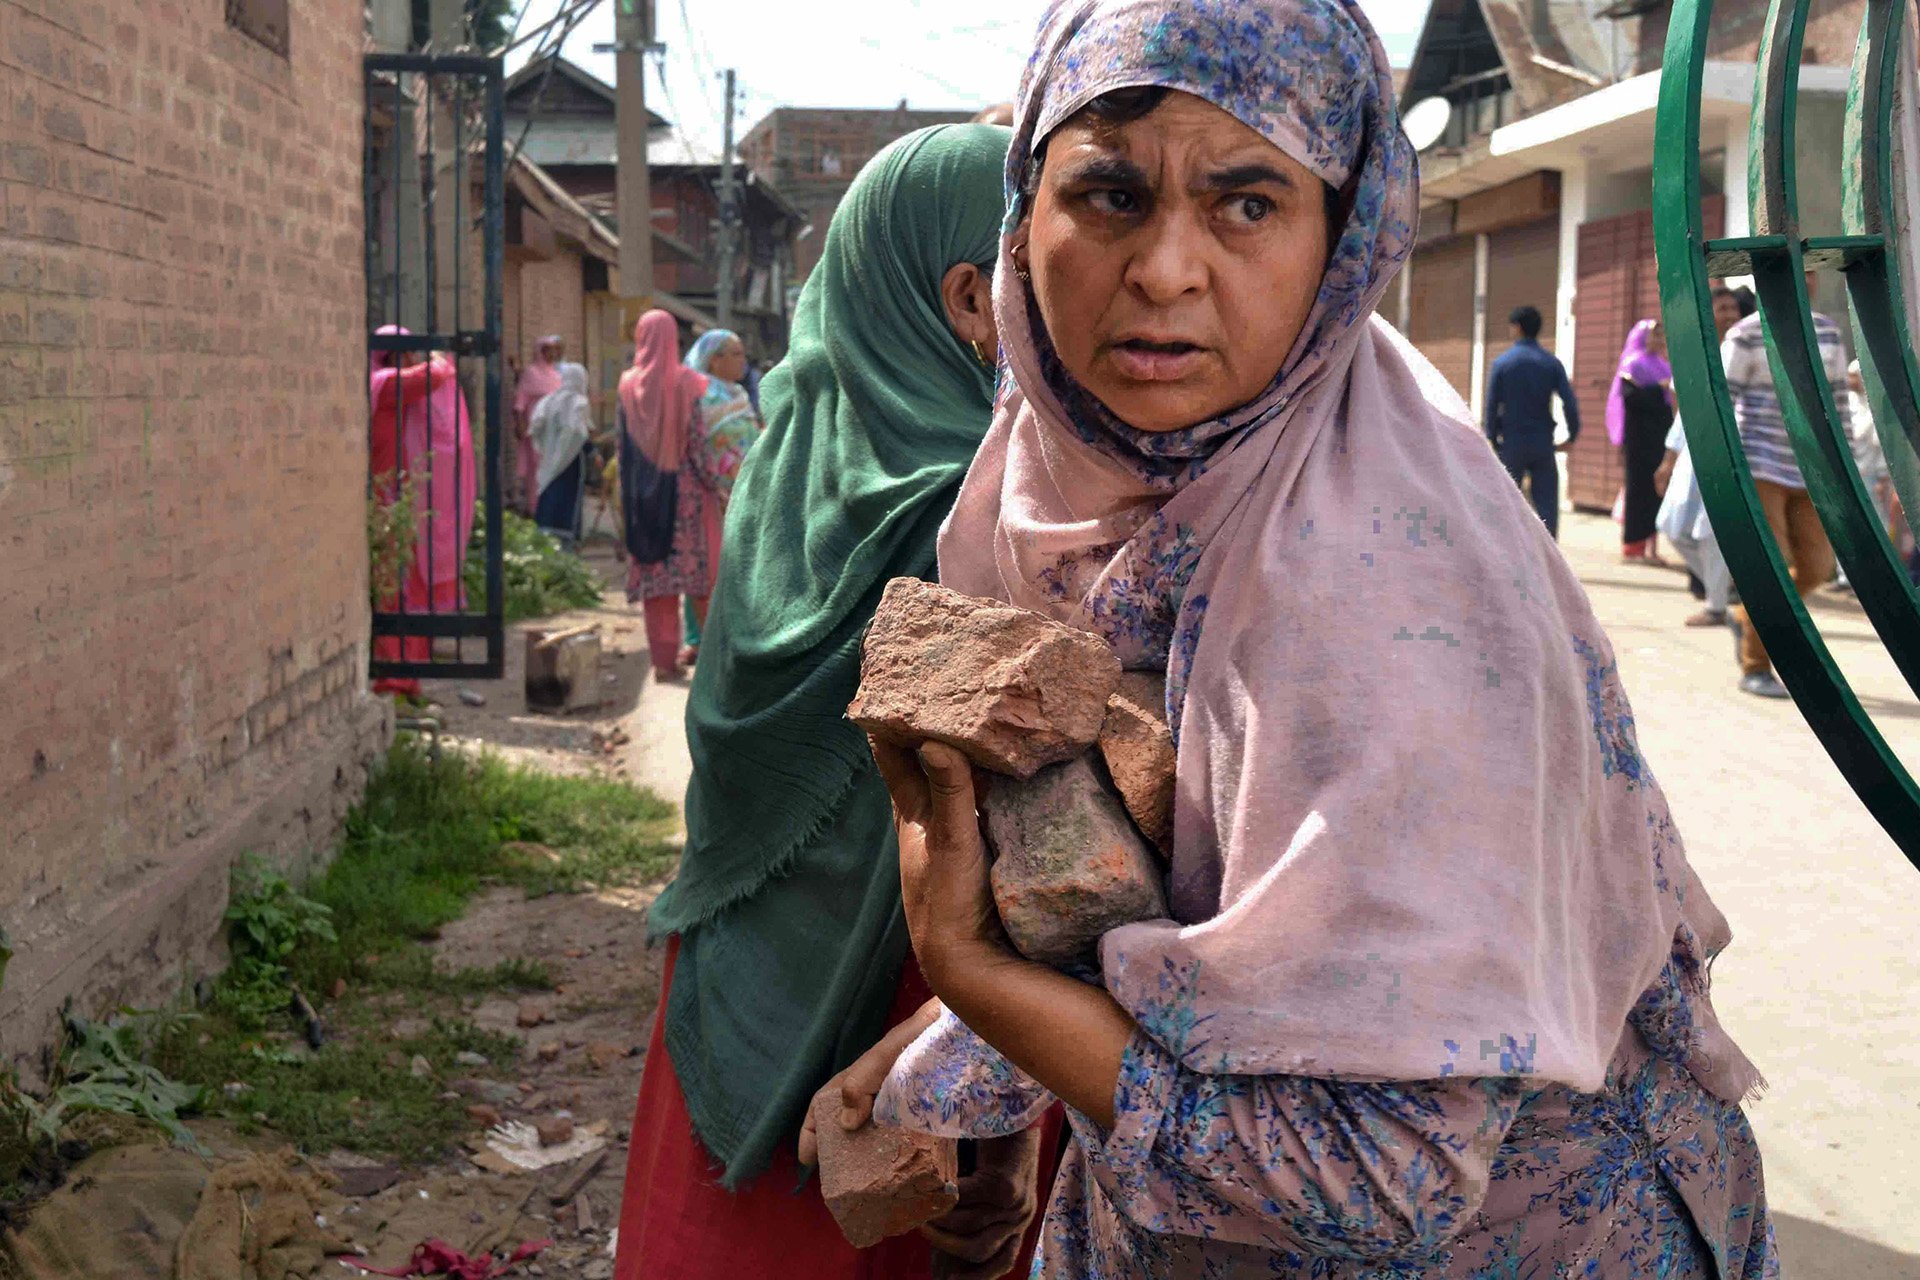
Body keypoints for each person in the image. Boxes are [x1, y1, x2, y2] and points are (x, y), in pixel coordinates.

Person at [810, 3, 1775, 1275]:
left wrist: (966, 971)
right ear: (1020, 217)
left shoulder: (1381, 594)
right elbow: (1193, 934)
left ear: (1341, 237)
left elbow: (1385, 1178)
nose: (1165, 269)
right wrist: (936, 1056)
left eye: (1248, 201)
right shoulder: (1068, 495)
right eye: (1105, 193)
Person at [616, 124, 1063, 1280]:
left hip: (752, 976)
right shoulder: (980, 519)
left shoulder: (784, 478)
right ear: (971, 298)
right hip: (918, 1012)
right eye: (1050, 267)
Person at [1724, 271, 1848, 697]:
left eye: (1809, 271)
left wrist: (1842, 465)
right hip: (1760, 463)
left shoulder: (1829, 333)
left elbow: (1839, 402)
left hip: (1811, 468)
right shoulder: (1745, 335)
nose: (1802, 278)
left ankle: (1746, 617)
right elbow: (1723, 396)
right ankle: (1756, 665)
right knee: (1774, 570)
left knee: (1816, 568)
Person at [368, 327, 476, 698]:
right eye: (407, 353)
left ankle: (408, 678)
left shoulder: (391, 387)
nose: (412, 360)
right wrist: (437, 358)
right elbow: (433, 376)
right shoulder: (384, 383)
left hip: (399, 501)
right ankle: (395, 679)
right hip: (384, 503)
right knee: (394, 592)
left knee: (410, 592)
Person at [618, 312, 720, 683]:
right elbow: (697, 443)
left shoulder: (627, 385)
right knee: (699, 580)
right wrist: (716, 484)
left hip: (643, 499)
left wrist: (623, 498)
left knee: (656, 585)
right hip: (686, 496)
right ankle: (710, 662)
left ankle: (663, 663)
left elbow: (622, 446)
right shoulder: (687, 383)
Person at [1655, 286, 1744, 625]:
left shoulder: (1747, 350)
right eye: (1722, 308)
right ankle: (1722, 588)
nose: (1730, 314)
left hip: (1732, 451)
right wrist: (1669, 459)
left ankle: (1716, 606)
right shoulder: (1693, 355)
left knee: (1710, 531)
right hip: (1695, 451)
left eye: (1733, 308)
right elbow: (1685, 414)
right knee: (1671, 526)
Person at [676, 330, 764, 666]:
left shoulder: (739, 393)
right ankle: (696, 638)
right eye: (736, 354)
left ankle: (734, 635)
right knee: (700, 563)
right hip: (708, 492)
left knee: (738, 562)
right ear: (715, 359)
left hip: (744, 492)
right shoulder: (698, 392)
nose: (743, 361)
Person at [1484, 304, 1579, 536]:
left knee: (1506, 504)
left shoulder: (1502, 363)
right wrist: (1572, 435)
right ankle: (1549, 563)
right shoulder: (1551, 363)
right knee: (1547, 506)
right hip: (1542, 443)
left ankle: (1507, 558)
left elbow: (1491, 405)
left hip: (1512, 442)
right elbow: (1569, 401)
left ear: (1516, 328)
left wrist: (1493, 437)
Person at [1610, 319, 1675, 563]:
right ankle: (1633, 547)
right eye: (1653, 335)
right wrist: (1658, 389)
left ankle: (1652, 548)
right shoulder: (1633, 365)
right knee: (1638, 491)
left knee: (1656, 491)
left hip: (1660, 436)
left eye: (1661, 335)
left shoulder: (1663, 365)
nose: (1658, 340)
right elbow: (1631, 399)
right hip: (1639, 439)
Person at [527, 360, 592, 545]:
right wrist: (589, 451)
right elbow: (579, 432)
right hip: (571, 462)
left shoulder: (548, 401)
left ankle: (544, 534)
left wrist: (546, 446)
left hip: (549, 458)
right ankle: (567, 540)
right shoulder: (579, 403)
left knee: (548, 488)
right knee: (569, 498)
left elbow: (535, 426)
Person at [513, 335, 565, 514]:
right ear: (540, 352)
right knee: (535, 467)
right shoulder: (531, 373)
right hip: (535, 428)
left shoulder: (557, 376)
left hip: (553, 429)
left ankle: (550, 507)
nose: (551, 355)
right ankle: (535, 507)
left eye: (553, 351)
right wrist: (519, 423)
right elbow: (520, 401)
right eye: (547, 351)